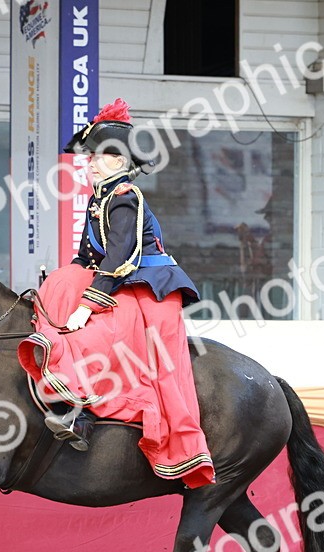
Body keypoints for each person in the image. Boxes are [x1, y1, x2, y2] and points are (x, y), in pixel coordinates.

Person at [17, 98, 215, 489]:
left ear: (123, 162)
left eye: (103, 155)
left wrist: (86, 306)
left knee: (97, 335)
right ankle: (69, 396)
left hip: (148, 289)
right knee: (62, 282)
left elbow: (121, 257)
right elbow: (86, 257)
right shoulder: (99, 199)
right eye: (90, 155)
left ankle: (81, 411)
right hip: (121, 282)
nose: (91, 161)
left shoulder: (125, 198)